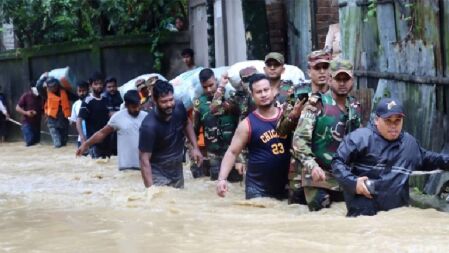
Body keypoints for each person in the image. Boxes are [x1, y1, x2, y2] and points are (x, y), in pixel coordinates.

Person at [332, 98, 449, 217]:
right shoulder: (360, 138)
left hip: (397, 217)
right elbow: (337, 162)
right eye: (388, 121)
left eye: (397, 121)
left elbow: (430, 159)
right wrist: (353, 183)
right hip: (363, 217)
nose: (393, 126)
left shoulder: (409, 144)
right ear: (377, 120)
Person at [286, 58, 361, 210]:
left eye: (346, 79)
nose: (342, 83)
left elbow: (360, 141)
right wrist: (312, 166)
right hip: (316, 175)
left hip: (342, 174)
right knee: (321, 212)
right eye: (338, 79)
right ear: (329, 79)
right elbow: (299, 140)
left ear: (352, 80)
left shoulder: (355, 106)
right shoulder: (316, 104)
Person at [216, 74, 290, 199]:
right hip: (257, 188)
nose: (263, 94)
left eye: (266, 90)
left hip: (285, 186)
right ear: (252, 95)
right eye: (258, 92)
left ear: (272, 91)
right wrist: (222, 179)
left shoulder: (288, 116)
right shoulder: (247, 124)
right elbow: (232, 152)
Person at [139, 80, 203, 188]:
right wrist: (150, 191)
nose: (169, 104)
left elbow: (186, 123)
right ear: (155, 100)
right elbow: (144, 161)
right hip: (158, 174)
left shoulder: (178, 106)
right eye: (164, 101)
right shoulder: (149, 126)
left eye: (171, 99)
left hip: (176, 170)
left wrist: (195, 147)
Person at [77, 90, 148, 171]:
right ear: (126, 105)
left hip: (144, 167)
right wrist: (86, 144)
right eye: (134, 107)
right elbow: (102, 133)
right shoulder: (118, 117)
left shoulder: (146, 117)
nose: (137, 109)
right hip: (125, 167)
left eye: (139, 106)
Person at [192, 68, 241, 181]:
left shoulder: (231, 98)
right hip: (213, 155)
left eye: (211, 85)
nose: (209, 89)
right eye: (205, 87)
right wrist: (195, 152)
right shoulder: (199, 104)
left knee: (236, 185)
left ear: (216, 80)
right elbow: (193, 131)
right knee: (216, 186)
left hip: (233, 152)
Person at [277, 50, 333, 135]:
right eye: (317, 68)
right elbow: (280, 131)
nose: (322, 71)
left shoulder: (335, 92)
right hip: (301, 145)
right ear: (309, 72)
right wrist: (294, 115)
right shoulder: (298, 92)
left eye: (325, 67)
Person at [77, 72, 111, 159]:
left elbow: (110, 116)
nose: (99, 86)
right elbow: (79, 120)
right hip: (93, 141)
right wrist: (82, 138)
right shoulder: (88, 101)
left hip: (107, 140)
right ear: (91, 85)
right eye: (96, 84)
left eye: (101, 84)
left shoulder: (106, 100)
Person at [44, 77, 71, 148]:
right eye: (50, 86)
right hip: (52, 118)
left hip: (63, 118)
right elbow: (38, 86)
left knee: (64, 142)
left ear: (57, 85)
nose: (53, 88)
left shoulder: (64, 91)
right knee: (57, 144)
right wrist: (43, 77)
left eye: (54, 86)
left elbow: (74, 95)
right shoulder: (45, 93)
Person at [102, 77, 123, 156]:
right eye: (109, 87)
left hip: (118, 130)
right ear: (105, 88)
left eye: (113, 86)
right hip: (106, 129)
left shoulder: (120, 96)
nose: (112, 89)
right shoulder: (103, 98)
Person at [69, 81, 89, 148]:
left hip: (93, 136)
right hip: (81, 138)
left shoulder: (92, 101)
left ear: (88, 90)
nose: (82, 93)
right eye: (79, 91)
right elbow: (74, 121)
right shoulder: (76, 104)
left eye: (84, 91)